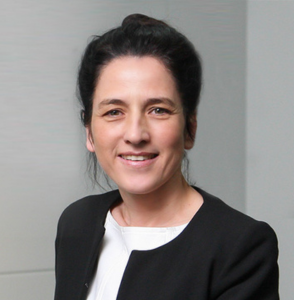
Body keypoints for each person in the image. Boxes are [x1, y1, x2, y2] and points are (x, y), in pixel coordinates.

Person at [54, 14, 279, 300]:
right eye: (114, 112)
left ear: (190, 128)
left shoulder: (239, 246)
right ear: (89, 133)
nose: (136, 134)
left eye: (158, 109)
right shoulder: (77, 223)